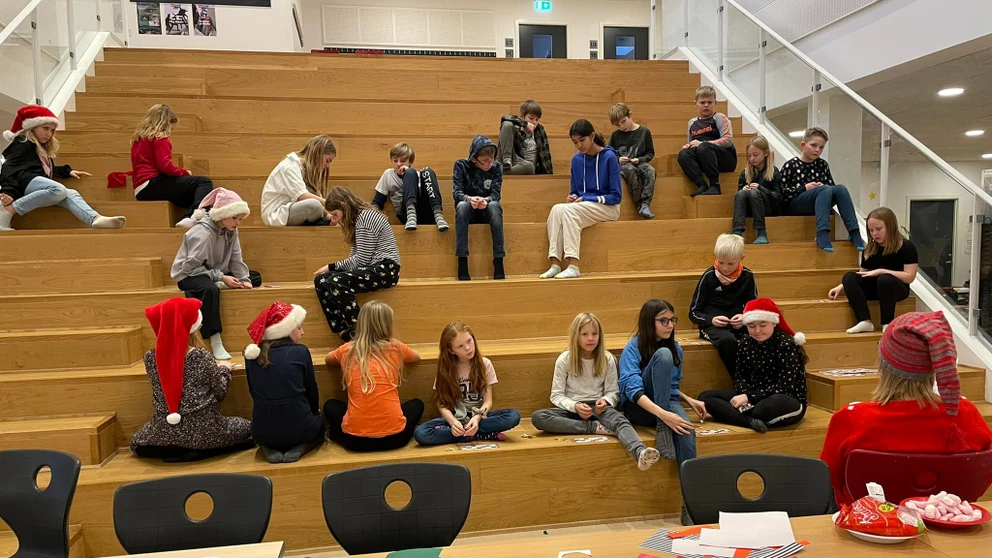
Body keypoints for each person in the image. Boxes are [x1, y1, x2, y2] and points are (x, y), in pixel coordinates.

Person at [820, 311, 992, 507]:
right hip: (946, 518)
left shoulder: (853, 418)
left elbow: (830, 478)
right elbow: (983, 476)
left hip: (869, 519)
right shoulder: (966, 414)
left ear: (883, 365)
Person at [532, 313, 661, 471]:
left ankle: (640, 452)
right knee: (539, 417)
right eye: (585, 334)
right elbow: (556, 395)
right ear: (576, 336)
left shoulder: (607, 359)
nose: (590, 338)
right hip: (573, 409)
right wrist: (575, 406)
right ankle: (594, 427)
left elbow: (613, 392)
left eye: (595, 334)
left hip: (599, 408)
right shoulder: (565, 359)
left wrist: (606, 401)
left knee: (620, 420)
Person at [130, 298, 253, 462]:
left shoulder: (150, 358)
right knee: (249, 429)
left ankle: (178, 449)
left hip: (164, 429)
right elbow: (220, 393)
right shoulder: (201, 356)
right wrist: (224, 369)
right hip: (204, 428)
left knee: (136, 443)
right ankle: (202, 450)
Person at [619, 299, 701, 525]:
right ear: (649, 322)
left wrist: (687, 399)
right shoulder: (632, 349)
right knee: (663, 355)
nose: (670, 325)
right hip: (641, 407)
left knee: (686, 430)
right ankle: (663, 426)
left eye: (672, 320)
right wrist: (663, 416)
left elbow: (670, 386)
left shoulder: (676, 349)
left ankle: (690, 505)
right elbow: (633, 391)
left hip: (665, 402)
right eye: (663, 321)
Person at [1, 105, 125, 231]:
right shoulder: (22, 144)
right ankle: (9, 210)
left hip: (34, 181)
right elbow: (8, 167)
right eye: (45, 128)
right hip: (23, 182)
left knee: (71, 193)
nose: (49, 134)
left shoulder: (39, 148)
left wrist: (67, 171)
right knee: (58, 190)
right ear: (31, 127)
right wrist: (8, 191)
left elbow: (42, 169)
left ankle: (94, 219)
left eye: (52, 130)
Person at [323, 300, 425, 452]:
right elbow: (416, 358)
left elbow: (328, 360)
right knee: (417, 404)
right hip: (395, 439)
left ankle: (334, 434)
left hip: (355, 442)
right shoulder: (396, 347)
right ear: (388, 325)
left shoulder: (347, 350)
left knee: (330, 406)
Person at [699, 298, 808, 433]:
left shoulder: (786, 345)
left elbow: (784, 388)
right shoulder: (745, 343)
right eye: (751, 326)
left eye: (763, 325)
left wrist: (749, 397)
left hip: (783, 399)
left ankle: (739, 415)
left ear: (773, 323)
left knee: (763, 409)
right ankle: (749, 421)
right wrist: (745, 395)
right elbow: (740, 377)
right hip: (753, 395)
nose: (757, 331)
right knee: (705, 398)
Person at [171, 188, 253, 361]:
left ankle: (220, 282)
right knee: (210, 290)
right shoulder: (203, 234)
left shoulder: (231, 229)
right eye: (234, 217)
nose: (238, 223)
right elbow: (189, 268)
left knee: (255, 277)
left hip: (212, 271)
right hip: (188, 275)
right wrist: (220, 277)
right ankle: (215, 340)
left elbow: (236, 257)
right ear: (222, 214)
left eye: (240, 218)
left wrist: (244, 279)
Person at [313, 187, 400, 342]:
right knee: (321, 280)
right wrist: (334, 270)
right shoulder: (357, 220)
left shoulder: (365, 218)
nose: (336, 219)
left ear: (343, 206)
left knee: (335, 281)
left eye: (336, 214)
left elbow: (361, 260)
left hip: (386, 268)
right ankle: (345, 332)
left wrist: (331, 267)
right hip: (373, 267)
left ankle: (362, 333)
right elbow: (356, 259)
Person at [413, 322, 520, 445]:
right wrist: (453, 422)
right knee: (421, 433)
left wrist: (477, 418)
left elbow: (488, 401)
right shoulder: (445, 369)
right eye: (460, 346)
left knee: (513, 416)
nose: (468, 348)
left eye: (469, 341)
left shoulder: (485, 364)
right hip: (455, 417)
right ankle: (479, 434)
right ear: (451, 350)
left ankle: (468, 433)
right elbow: (442, 404)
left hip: (479, 416)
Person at [540, 119, 621, 280]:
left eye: (582, 140)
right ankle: (555, 264)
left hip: (609, 207)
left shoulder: (609, 157)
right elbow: (576, 191)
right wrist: (574, 197)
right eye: (575, 142)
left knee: (570, 211)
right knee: (557, 209)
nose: (579, 145)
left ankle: (573, 265)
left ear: (592, 136)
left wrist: (585, 198)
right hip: (586, 207)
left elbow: (616, 196)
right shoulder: (576, 160)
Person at [244, 301, 324, 464]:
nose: (303, 332)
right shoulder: (301, 351)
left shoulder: (251, 355)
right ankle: (302, 446)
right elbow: (312, 390)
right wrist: (314, 411)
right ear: (287, 329)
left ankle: (268, 447)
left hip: (262, 432)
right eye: (299, 327)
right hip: (300, 429)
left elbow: (253, 391)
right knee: (321, 424)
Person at [829, 206, 918, 334]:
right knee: (849, 276)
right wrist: (842, 286)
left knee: (885, 279)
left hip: (895, 289)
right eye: (871, 230)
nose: (875, 233)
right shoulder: (871, 249)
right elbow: (862, 273)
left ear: (890, 226)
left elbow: (909, 277)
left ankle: (887, 323)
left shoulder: (906, 247)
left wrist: (882, 271)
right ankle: (864, 320)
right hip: (876, 288)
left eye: (879, 229)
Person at [780, 127, 865, 253]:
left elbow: (832, 188)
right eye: (814, 145)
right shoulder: (791, 165)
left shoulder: (822, 165)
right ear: (803, 145)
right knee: (824, 189)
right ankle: (822, 232)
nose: (817, 150)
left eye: (821, 147)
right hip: (796, 204)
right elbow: (781, 193)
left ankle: (854, 231)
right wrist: (805, 188)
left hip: (819, 201)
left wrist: (822, 187)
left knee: (840, 189)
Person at [129, 104, 213, 228]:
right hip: (152, 184)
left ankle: (189, 217)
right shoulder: (161, 138)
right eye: (171, 129)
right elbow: (165, 166)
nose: (170, 132)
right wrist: (184, 172)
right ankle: (195, 217)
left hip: (140, 190)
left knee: (193, 198)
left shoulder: (138, 140)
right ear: (166, 123)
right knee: (204, 182)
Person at [688, 234, 758, 380]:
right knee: (728, 341)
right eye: (720, 262)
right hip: (712, 326)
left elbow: (754, 307)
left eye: (731, 264)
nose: (725, 268)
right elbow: (694, 313)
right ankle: (742, 383)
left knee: (762, 335)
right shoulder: (708, 276)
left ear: (741, 258)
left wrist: (745, 317)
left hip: (739, 323)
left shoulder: (747, 276)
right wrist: (711, 320)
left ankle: (763, 381)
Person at [453, 135, 504, 281]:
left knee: (495, 206)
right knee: (462, 206)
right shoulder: (461, 165)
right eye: (485, 161)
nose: (489, 164)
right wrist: (469, 199)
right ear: (474, 159)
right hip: (468, 209)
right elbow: (457, 193)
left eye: (491, 160)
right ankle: (462, 260)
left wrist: (486, 200)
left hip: (487, 208)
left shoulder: (496, 167)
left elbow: (496, 194)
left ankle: (499, 260)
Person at [371, 142, 448, 232]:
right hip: (406, 215)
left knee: (426, 171)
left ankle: (438, 215)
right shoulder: (388, 174)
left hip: (426, 212)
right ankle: (411, 214)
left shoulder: (418, 175)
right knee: (410, 173)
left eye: (403, 161)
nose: (398, 164)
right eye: (395, 161)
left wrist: (407, 174)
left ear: (410, 162)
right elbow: (378, 201)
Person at [261, 135, 335, 227]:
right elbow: (302, 196)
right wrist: (330, 204)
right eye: (327, 161)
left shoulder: (306, 170)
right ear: (317, 153)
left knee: (318, 207)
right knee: (314, 206)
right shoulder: (290, 166)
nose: (327, 166)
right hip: (276, 214)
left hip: (291, 209)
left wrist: (329, 214)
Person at [678, 86, 737, 197]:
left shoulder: (719, 117)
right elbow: (692, 142)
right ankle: (701, 184)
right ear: (695, 103)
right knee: (683, 154)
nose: (706, 105)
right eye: (702, 102)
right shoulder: (692, 122)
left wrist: (703, 143)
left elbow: (728, 140)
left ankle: (715, 185)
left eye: (709, 102)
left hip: (725, 159)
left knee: (704, 147)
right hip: (704, 157)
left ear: (715, 103)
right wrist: (688, 146)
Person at [608, 103, 656, 219]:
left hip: (639, 162)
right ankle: (639, 205)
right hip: (624, 165)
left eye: (623, 121)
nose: (621, 126)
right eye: (617, 125)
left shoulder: (644, 132)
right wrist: (618, 159)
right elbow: (609, 154)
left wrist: (639, 159)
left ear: (630, 115)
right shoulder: (615, 135)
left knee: (650, 170)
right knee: (630, 170)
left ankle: (645, 204)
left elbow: (650, 153)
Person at [733, 135, 782, 244]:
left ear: (766, 153)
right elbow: (739, 197)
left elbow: (778, 198)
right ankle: (737, 232)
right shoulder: (745, 173)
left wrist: (760, 188)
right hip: (750, 209)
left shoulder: (774, 172)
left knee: (754, 192)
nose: (752, 159)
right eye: (749, 156)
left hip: (768, 208)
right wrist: (743, 189)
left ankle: (762, 232)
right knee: (740, 193)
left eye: (755, 155)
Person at [497, 100, 553, 175]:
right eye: (531, 118)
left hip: (524, 167)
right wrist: (525, 124)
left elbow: (546, 155)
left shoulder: (540, 130)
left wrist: (549, 176)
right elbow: (505, 118)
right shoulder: (516, 127)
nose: (534, 122)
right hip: (513, 161)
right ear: (522, 116)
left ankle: (497, 172)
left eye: (537, 119)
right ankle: (507, 160)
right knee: (507, 125)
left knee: (529, 167)